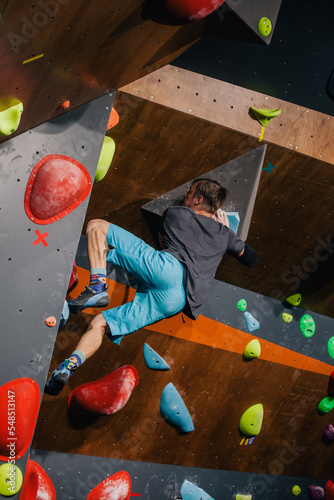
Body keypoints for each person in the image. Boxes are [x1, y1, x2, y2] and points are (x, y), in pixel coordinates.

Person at [44, 178, 257, 395]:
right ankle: (66, 368)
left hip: (167, 270)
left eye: (189, 192)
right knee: (100, 323)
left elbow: (164, 242)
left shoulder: (176, 213)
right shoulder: (224, 234)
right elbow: (251, 259)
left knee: (96, 226)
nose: (185, 195)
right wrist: (224, 232)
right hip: (178, 300)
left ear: (198, 199)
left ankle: (98, 286)